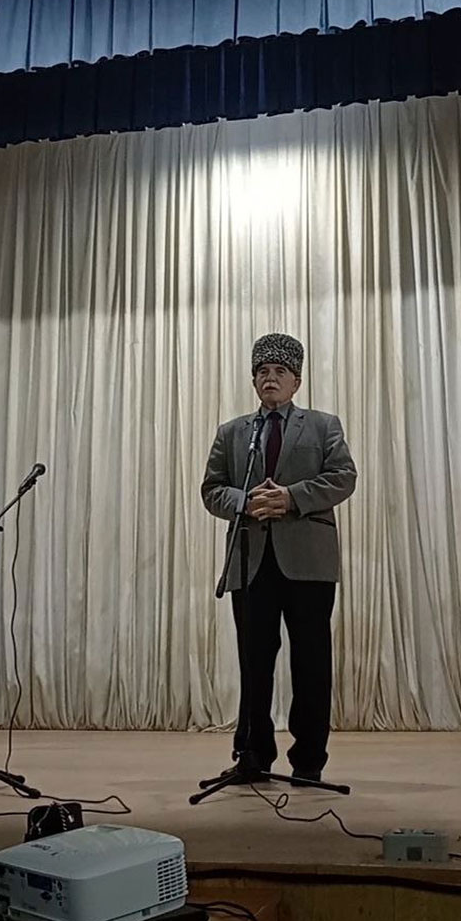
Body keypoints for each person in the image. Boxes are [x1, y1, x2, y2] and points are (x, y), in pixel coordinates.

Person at [201, 333, 357, 782]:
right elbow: (212, 489)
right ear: (254, 381)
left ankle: (309, 761)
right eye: (263, 372)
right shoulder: (232, 432)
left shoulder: (324, 425)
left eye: (280, 372)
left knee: (311, 662)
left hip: (308, 561)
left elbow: (343, 477)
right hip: (250, 561)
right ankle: (252, 754)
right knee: (254, 662)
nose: (270, 378)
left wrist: (291, 497)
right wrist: (245, 501)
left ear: (296, 382)